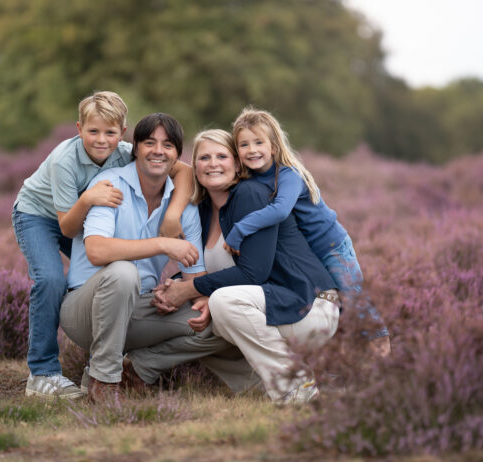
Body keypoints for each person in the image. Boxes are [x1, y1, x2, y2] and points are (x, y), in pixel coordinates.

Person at [132, 129, 340, 404]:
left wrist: (190, 289)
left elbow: (253, 273)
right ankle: (256, 384)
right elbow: (216, 269)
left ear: (237, 164)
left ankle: (296, 386)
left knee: (221, 303)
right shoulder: (205, 210)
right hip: (269, 303)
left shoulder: (249, 195)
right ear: (195, 167)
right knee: (201, 318)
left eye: (222, 156)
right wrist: (179, 284)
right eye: (204, 158)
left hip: (308, 304)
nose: (213, 163)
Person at [12, 92, 193, 399]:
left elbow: (185, 171)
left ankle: (100, 368)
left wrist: (173, 214)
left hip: (81, 215)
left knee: (112, 271)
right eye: (92, 131)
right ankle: (42, 374)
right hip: (40, 216)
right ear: (78, 128)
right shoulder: (64, 161)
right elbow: (67, 228)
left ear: (122, 133)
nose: (101, 140)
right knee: (52, 279)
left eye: (110, 133)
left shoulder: (125, 153)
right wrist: (87, 199)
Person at [58, 113, 227, 403]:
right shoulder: (109, 184)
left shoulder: (183, 206)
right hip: (85, 311)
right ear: (135, 148)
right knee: (124, 273)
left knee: (219, 320)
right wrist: (161, 244)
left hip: (140, 309)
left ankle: (135, 369)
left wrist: (188, 295)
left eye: (168, 145)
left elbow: (194, 275)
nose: (158, 151)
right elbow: (97, 251)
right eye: (150, 143)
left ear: (177, 155)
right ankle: (104, 381)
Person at [224, 107, 391, 356]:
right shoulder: (253, 180)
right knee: (331, 306)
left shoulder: (289, 174)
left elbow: (280, 211)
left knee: (352, 298)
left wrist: (239, 230)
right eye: (244, 144)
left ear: (274, 146)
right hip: (308, 254)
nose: (252, 149)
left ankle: (383, 351)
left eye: (259, 142)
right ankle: (345, 360)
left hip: (331, 246)